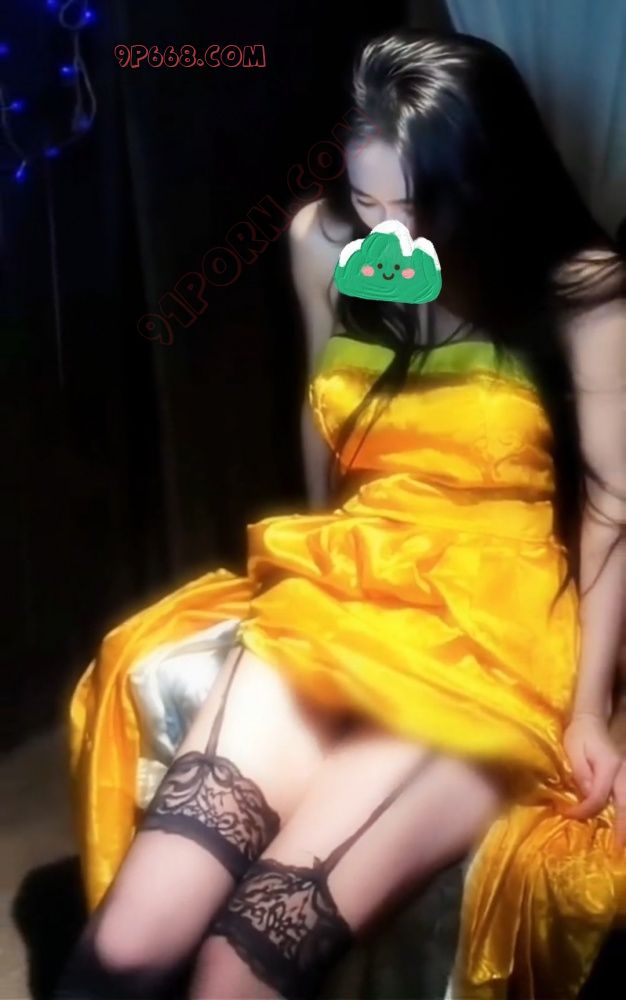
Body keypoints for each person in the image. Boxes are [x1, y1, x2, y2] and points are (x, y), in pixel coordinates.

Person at [56, 28, 625, 1000]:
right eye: (369, 203)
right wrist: (306, 562)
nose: (389, 233)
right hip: (349, 584)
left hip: (488, 628)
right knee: (126, 948)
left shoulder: (580, 287)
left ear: (484, 185)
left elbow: (612, 502)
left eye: (417, 207)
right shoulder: (322, 245)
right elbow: (321, 419)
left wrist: (590, 711)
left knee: (236, 972)